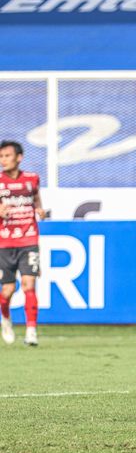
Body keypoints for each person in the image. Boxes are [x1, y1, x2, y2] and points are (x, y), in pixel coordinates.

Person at [0, 140, 46, 346]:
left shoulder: (32, 179)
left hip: (28, 240)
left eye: (7, 156)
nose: (3, 160)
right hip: (5, 243)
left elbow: (36, 198)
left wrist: (39, 210)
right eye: (1, 157)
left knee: (29, 285)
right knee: (7, 291)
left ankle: (31, 331)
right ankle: (6, 320)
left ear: (19, 157)